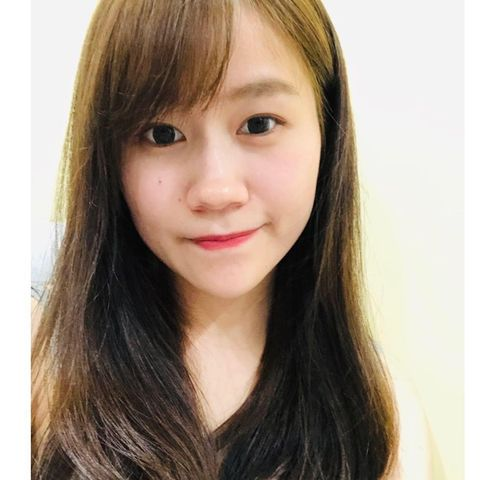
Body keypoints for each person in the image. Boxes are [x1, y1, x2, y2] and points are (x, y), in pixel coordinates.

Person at [31, 0, 431, 478]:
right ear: (110, 156)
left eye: (259, 124)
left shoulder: (380, 417)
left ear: (327, 129)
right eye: (162, 134)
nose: (216, 190)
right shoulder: (36, 345)